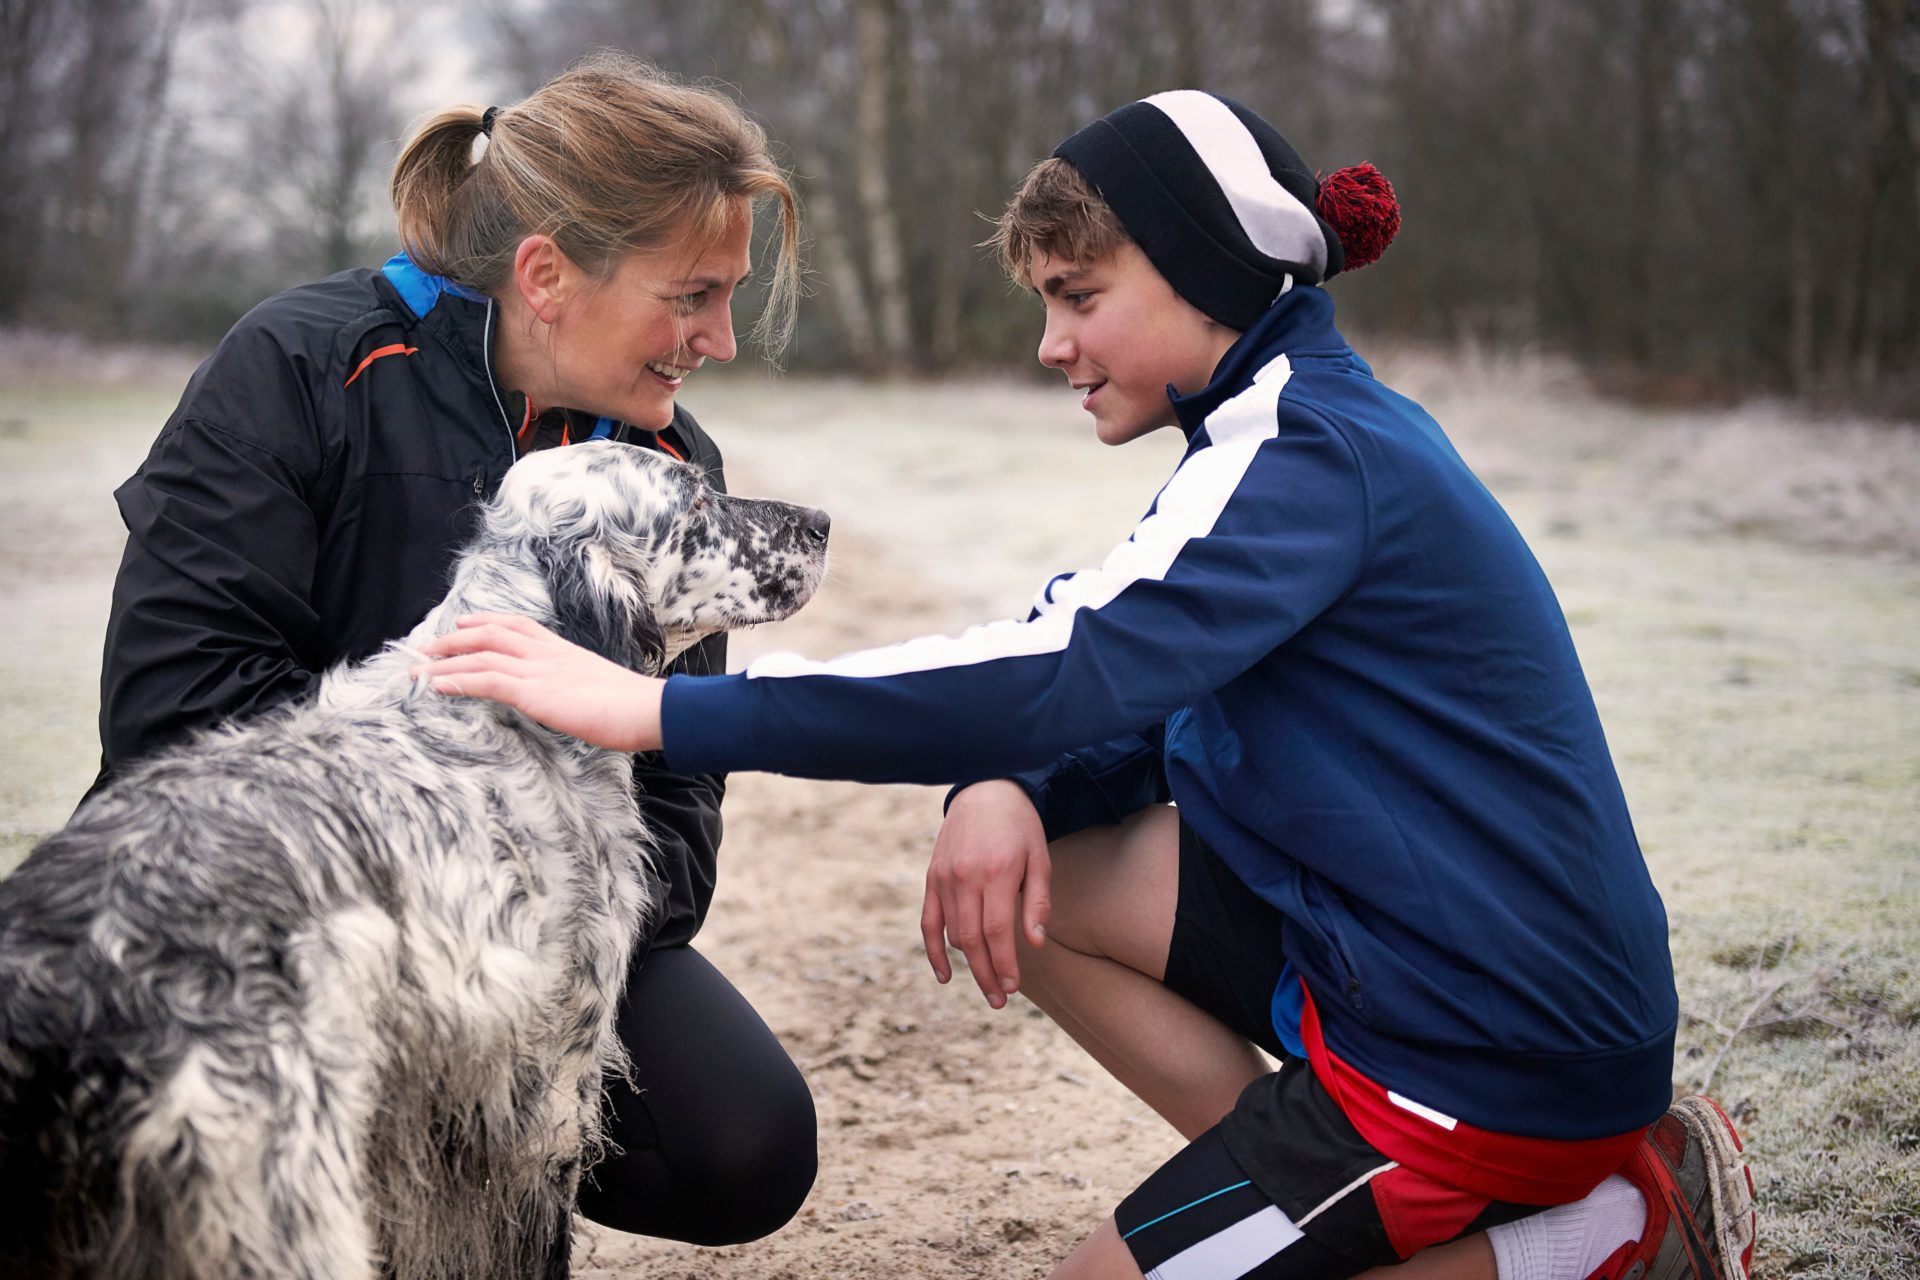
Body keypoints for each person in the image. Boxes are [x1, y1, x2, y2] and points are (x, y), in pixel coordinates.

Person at [416, 92, 1759, 1280]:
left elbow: (1061, 661)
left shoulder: (1309, 459)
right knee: (1030, 874)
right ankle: (1294, 1193)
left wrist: (656, 711)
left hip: (1489, 1056)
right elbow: (1132, 681)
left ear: (1202, 272)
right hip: (1405, 965)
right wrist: (1005, 785)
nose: (1054, 343)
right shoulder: (1278, 427)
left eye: (1079, 295)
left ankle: (1598, 1234)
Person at [88, 53, 817, 1260]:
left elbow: (679, 809)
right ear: (546, 275)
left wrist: (515, 942)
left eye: (729, 297)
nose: (721, 340)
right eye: (693, 294)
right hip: (255, 922)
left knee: (740, 1140)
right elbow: (170, 724)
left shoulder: (667, 466)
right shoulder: (297, 368)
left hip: (529, 936)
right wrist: (434, 895)